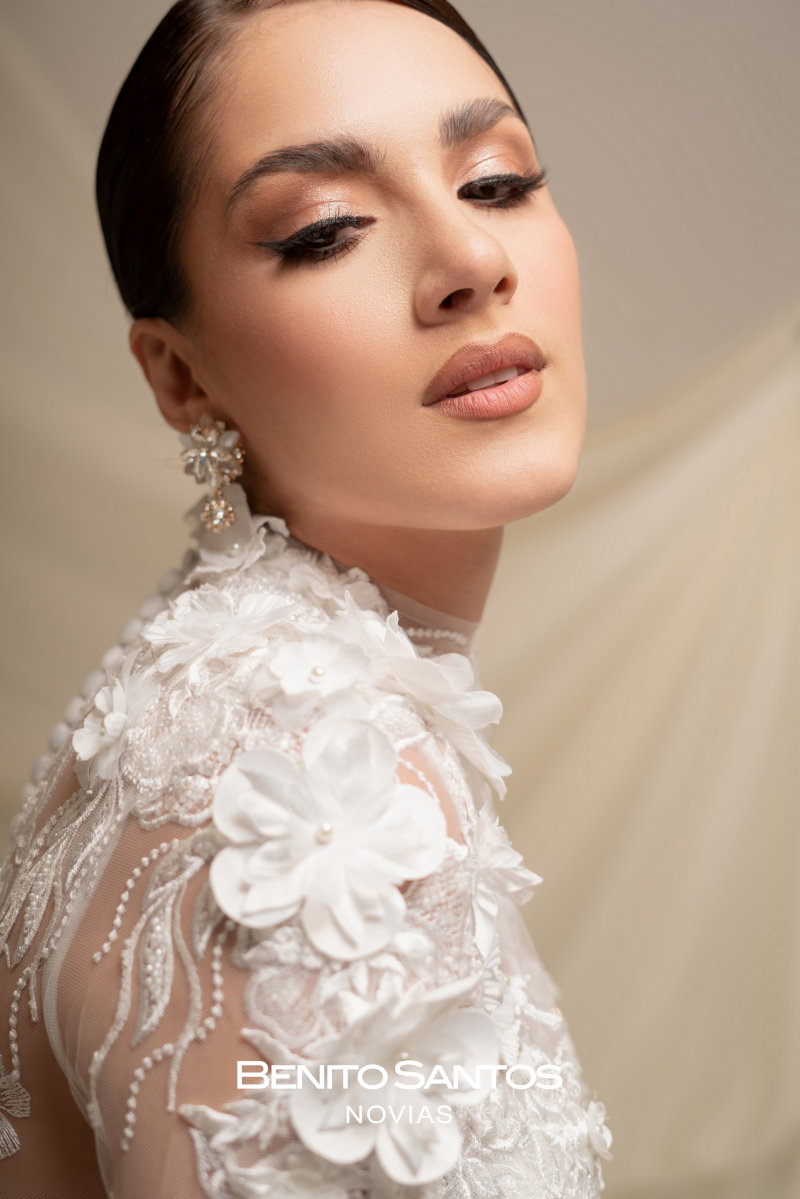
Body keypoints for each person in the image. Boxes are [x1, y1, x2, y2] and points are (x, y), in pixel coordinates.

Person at [0, 0, 613, 1194]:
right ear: (181, 376)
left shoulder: (219, 693)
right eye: (325, 230)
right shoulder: (291, 782)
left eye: (494, 183)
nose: (470, 261)